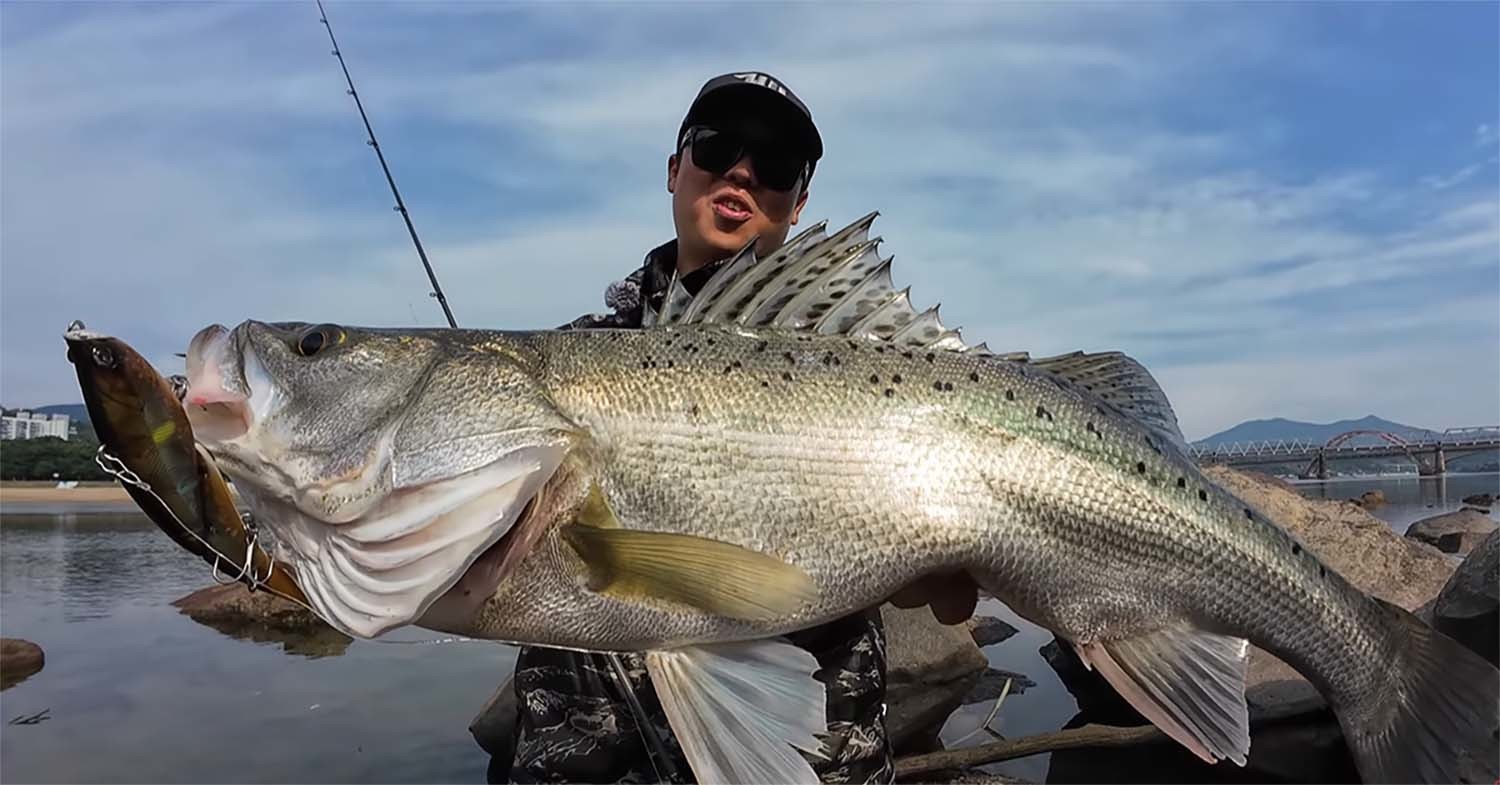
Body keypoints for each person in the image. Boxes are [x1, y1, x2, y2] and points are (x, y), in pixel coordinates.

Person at [494, 71, 977, 785]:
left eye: (776, 164)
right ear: (673, 168)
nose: (743, 172)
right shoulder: (569, 359)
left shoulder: (873, 364)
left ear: (800, 200)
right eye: (717, 146)